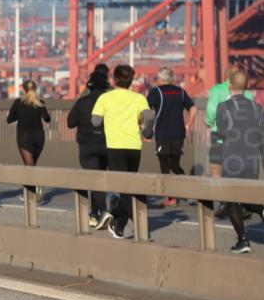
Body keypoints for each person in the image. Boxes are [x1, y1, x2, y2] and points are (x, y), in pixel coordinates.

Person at [92, 65, 155, 239]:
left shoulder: (105, 98)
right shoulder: (139, 98)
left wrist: (106, 120)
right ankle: (118, 225)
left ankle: (140, 225)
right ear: (131, 80)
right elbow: (149, 117)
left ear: (114, 79)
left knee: (124, 189)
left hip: (115, 147)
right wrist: (147, 132)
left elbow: (95, 121)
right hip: (134, 147)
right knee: (130, 186)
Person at [215, 70, 264, 253]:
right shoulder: (257, 108)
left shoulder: (224, 107)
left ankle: (243, 240)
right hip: (252, 161)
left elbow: (221, 132)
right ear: (247, 87)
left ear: (230, 86)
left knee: (231, 200)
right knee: (247, 196)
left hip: (232, 160)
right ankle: (261, 208)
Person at [206, 63, 253, 216]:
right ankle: (242, 202)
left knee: (215, 168)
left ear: (226, 76)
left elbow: (211, 111)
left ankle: (223, 201)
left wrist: (208, 124)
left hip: (218, 136)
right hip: (240, 137)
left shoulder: (217, 90)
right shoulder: (246, 93)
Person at [146, 66, 196, 207]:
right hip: (179, 133)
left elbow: (146, 110)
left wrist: (146, 130)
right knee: (175, 165)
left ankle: (171, 198)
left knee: (164, 166)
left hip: (163, 133)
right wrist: (189, 124)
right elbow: (193, 108)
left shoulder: (156, 92)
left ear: (161, 79)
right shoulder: (180, 91)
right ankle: (190, 193)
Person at [68, 70, 112, 228]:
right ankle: (94, 215)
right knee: (99, 179)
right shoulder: (110, 102)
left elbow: (70, 122)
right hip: (107, 145)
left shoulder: (82, 102)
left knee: (94, 179)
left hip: (87, 146)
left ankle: (104, 210)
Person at [7, 79, 51, 168]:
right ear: (35, 89)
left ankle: (30, 182)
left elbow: (9, 119)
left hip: (24, 136)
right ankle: (29, 182)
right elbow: (47, 118)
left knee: (29, 166)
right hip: (39, 136)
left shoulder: (18, 103)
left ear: (24, 89)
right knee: (32, 165)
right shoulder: (39, 102)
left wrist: (19, 115)